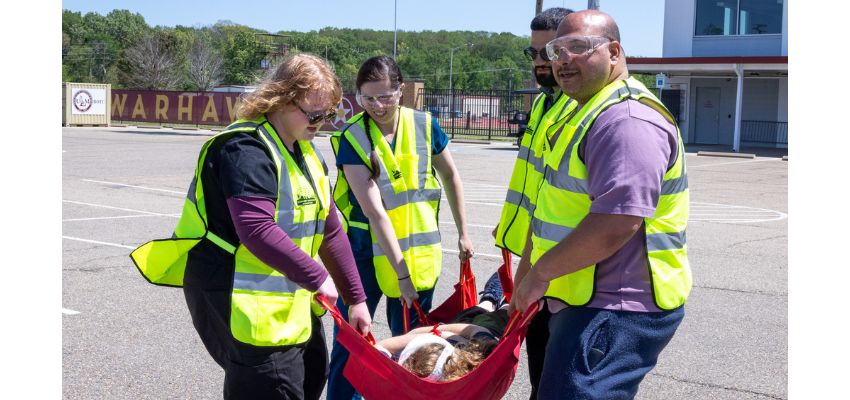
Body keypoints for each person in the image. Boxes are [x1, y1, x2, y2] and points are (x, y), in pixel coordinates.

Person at [131, 53, 372, 400]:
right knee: (273, 387)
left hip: (286, 299)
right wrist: (318, 278)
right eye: (314, 114)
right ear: (281, 98)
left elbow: (330, 230)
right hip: (235, 296)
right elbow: (255, 228)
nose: (321, 122)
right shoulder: (246, 148)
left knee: (312, 374)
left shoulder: (308, 153)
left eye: (329, 114)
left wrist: (356, 300)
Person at [509, 10, 691, 399]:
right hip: (582, 297)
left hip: (616, 308)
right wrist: (527, 278)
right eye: (557, 50)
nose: (562, 60)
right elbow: (550, 211)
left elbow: (616, 221)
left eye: (578, 47)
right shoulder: (585, 111)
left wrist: (539, 275)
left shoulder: (626, 119)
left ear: (614, 52)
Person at [327, 55, 474, 399]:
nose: (377, 106)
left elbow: (450, 175)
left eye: (386, 96)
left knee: (412, 349)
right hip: (364, 254)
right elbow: (374, 211)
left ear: (401, 90)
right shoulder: (353, 139)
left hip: (418, 255)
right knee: (351, 343)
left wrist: (464, 232)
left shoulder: (425, 125)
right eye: (368, 98)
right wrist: (401, 276)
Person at [490, 7, 575, 399]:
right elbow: (534, 184)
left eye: (548, 53)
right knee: (538, 367)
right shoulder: (543, 105)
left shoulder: (574, 109)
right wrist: (509, 226)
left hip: (556, 267)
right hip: (530, 253)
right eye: (534, 53)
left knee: (553, 377)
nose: (540, 62)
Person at [375, 272, 508, 382]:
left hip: (451, 332)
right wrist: (439, 334)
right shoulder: (482, 355)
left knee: (477, 311)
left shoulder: (410, 361)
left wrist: (437, 331)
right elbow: (477, 330)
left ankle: (489, 298)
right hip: (478, 335)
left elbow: (380, 347)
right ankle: (500, 300)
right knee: (500, 314)